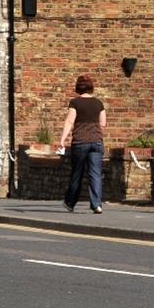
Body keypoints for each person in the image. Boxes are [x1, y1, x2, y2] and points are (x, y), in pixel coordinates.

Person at [60, 74, 106, 214]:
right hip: (96, 142)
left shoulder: (75, 103)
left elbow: (69, 121)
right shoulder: (98, 103)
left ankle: (70, 202)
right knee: (95, 174)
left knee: (77, 173)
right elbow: (103, 123)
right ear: (91, 87)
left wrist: (62, 140)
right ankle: (96, 204)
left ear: (78, 88)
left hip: (80, 142)